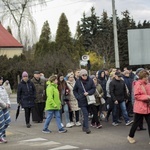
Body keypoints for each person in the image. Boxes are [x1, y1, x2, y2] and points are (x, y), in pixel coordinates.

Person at [127, 70, 150, 144]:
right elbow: (136, 96)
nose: (147, 78)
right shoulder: (137, 84)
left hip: (147, 107)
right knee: (136, 123)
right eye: (145, 77)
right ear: (142, 77)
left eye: (147, 76)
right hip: (140, 107)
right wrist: (147, 97)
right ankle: (130, 136)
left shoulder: (147, 84)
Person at [73, 69, 96, 134]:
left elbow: (93, 88)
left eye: (86, 75)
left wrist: (88, 92)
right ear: (81, 75)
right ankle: (87, 128)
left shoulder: (90, 80)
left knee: (87, 114)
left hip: (89, 100)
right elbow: (74, 90)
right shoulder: (78, 81)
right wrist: (78, 97)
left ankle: (84, 126)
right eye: (83, 75)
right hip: (81, 100)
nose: (85, 76)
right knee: (85, 114)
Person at [0, 76, 11, 143]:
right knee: (2, 123)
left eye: (1, 80)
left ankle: (2, 133)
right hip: (1, 107)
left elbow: (7, 96)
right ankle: (1, 137)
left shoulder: (2, 87)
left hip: (5, 107)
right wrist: (5, 105)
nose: (1, 81)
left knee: (8, 121)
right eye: (0, 80)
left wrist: (8, 103)